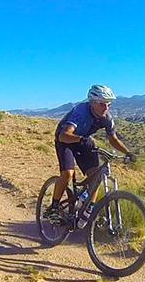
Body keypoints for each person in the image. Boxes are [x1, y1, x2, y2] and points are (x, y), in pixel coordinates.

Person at [45, 84, 136, 224]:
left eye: (109, 105)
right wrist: (80, 138)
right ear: (93, 102)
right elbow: (64, 135)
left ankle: (87, 211)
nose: (106, 108)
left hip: (84, 140)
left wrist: (128, 152)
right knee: (68, 173)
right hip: (65, 140)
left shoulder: (106, 118)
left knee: (96, 175)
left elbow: (113, 139)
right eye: (102, 104)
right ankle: (53, 208)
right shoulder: (81, 112)